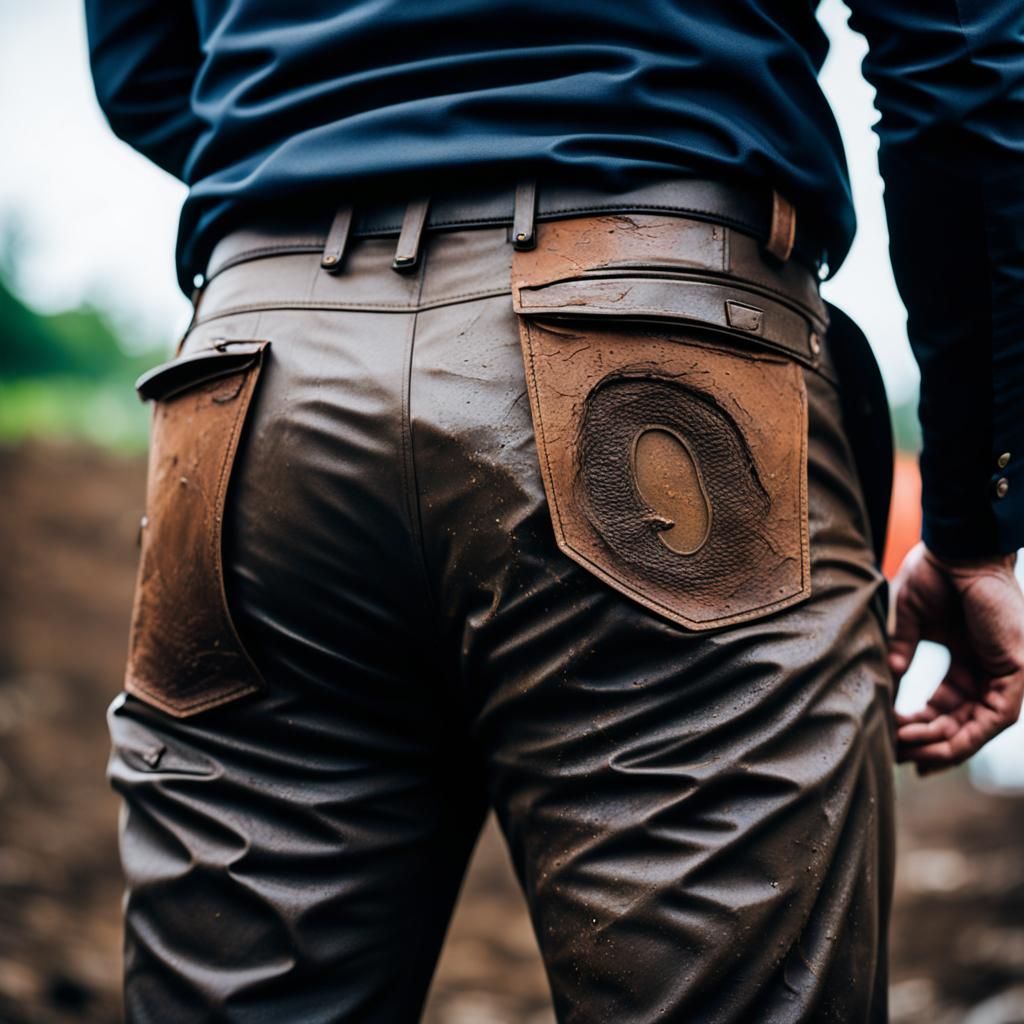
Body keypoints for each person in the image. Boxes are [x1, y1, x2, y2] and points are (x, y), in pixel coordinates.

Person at [85, 0, 1024, 1020]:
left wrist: (314, 198)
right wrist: (977, 516)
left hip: (256, 389)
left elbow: (140, 60)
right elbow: (958, 57)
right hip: (655, 344)